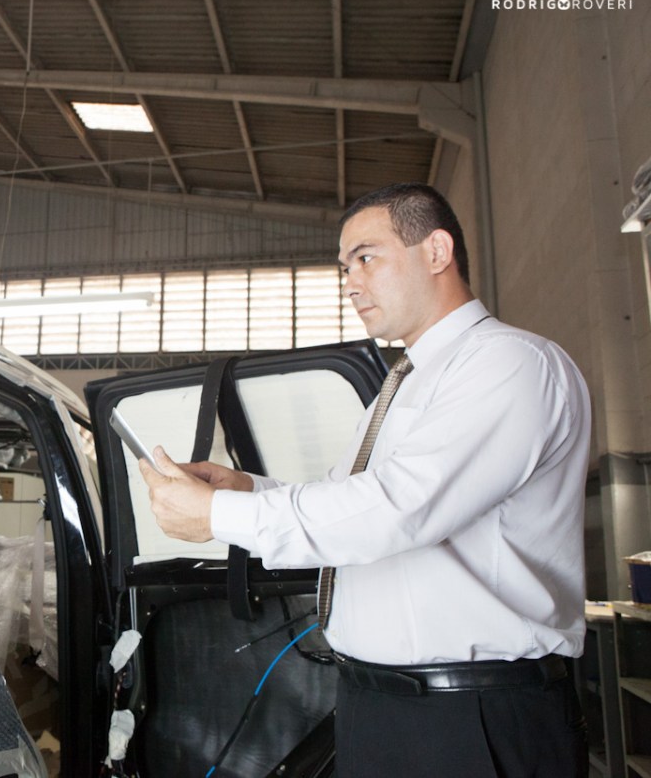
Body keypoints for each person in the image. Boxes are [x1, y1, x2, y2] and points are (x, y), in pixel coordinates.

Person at [139, 182, 590, 777]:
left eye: (366, 258)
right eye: (344, 268)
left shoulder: (507, 363)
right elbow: (345, 500)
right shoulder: (403, 384)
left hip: (470, 715)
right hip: (379, 705)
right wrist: (245, 490)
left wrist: (217, 516)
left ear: (436, 251)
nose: (350, 283)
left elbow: (396, 510)